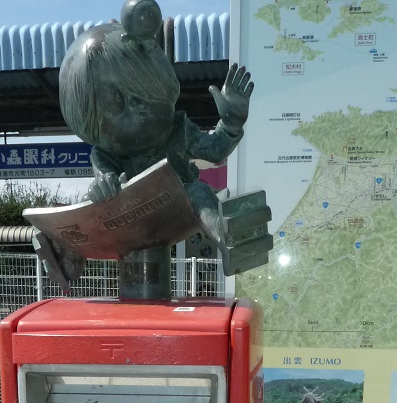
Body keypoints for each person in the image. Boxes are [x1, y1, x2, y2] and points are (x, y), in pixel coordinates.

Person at [59, 0, 253, 256]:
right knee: (87, 207)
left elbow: (215, 149)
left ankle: (230, 244)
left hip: (174, 208)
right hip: (127, 215)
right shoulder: (106, 154)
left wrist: (231, 123)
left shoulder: (177, 130)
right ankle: (61, 254)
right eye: (118, 104)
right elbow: (103, 178)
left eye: (143, 97)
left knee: (199, 192)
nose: (137, 110)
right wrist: (103, 186)